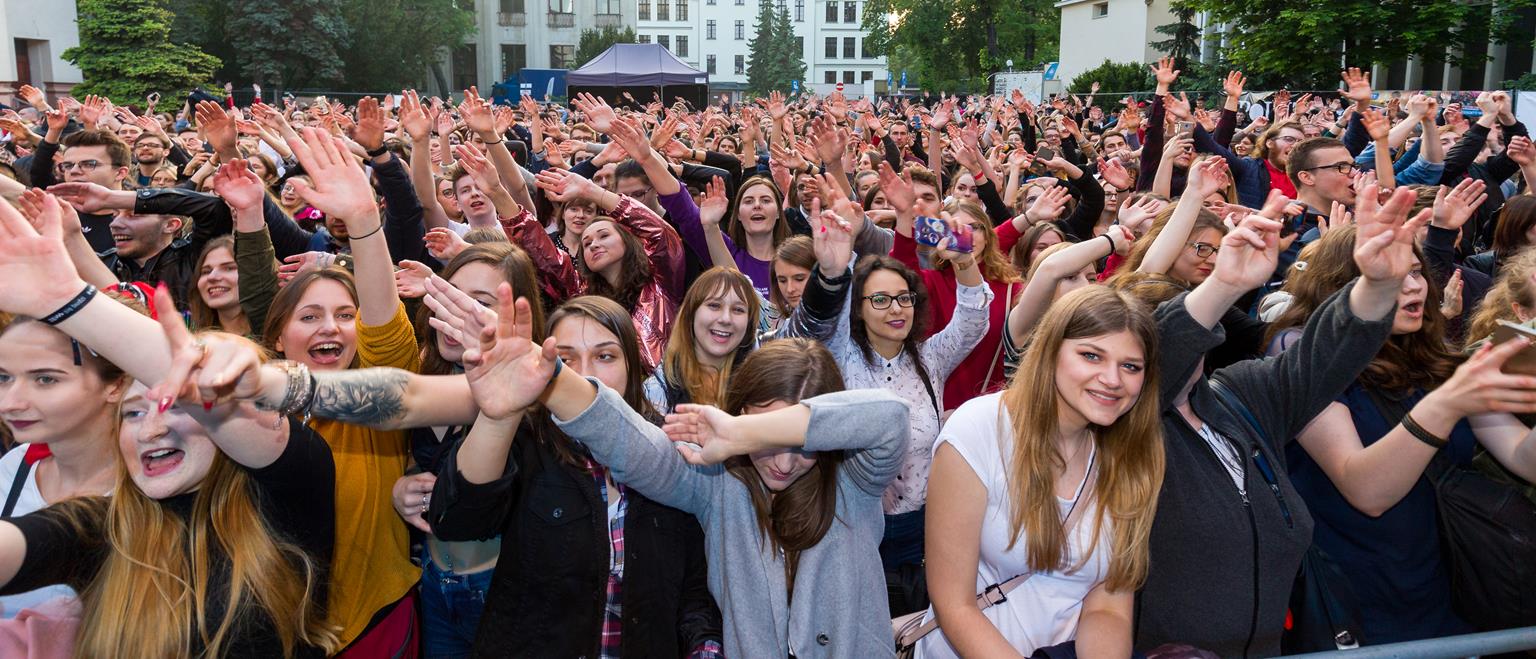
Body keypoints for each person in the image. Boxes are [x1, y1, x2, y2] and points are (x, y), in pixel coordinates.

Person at [0, 192, 339, 658]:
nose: (151, 431)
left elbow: (217, 394)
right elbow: (22, 544)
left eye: (176, 406)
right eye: (133, 413)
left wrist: (67, 300)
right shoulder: (105, 526)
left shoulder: (284, 498)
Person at [1134, 185, 1427, 656]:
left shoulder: (1240, 395)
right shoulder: (1124, 427)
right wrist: (1223, 286)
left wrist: (1377, 286)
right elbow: (1162, 361)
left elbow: (1322, 357)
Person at [1267, 225, 1536, 643]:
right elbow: (1367, 491)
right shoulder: (1298, 351)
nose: (1414, 286)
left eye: (1415, 271)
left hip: (1451, 588)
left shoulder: (1433, 357)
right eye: (1392, 275)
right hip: (1361, 600)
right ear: (1345, 285)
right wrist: (1445, 406)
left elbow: (1522, 456)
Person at [920, 286, 1164, 657]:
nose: (1113, 379)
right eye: (1091, 355)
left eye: (1130, 366)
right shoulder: (979, 429)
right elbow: (954, 604)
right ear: (1051, 351)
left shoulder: (1131, 454)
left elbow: (1108, 606)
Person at [645, 267, 760, 414]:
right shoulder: (658, 389)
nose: (726, 319)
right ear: (691, 314)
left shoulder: (762, 381)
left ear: (749, 322)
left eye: (738, 309)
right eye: (714, 305)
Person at [187, 235, 249, 334]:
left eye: (229, 268)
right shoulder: (186, 334)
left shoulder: (273, 335)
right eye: (206, 271)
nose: (212, 277)